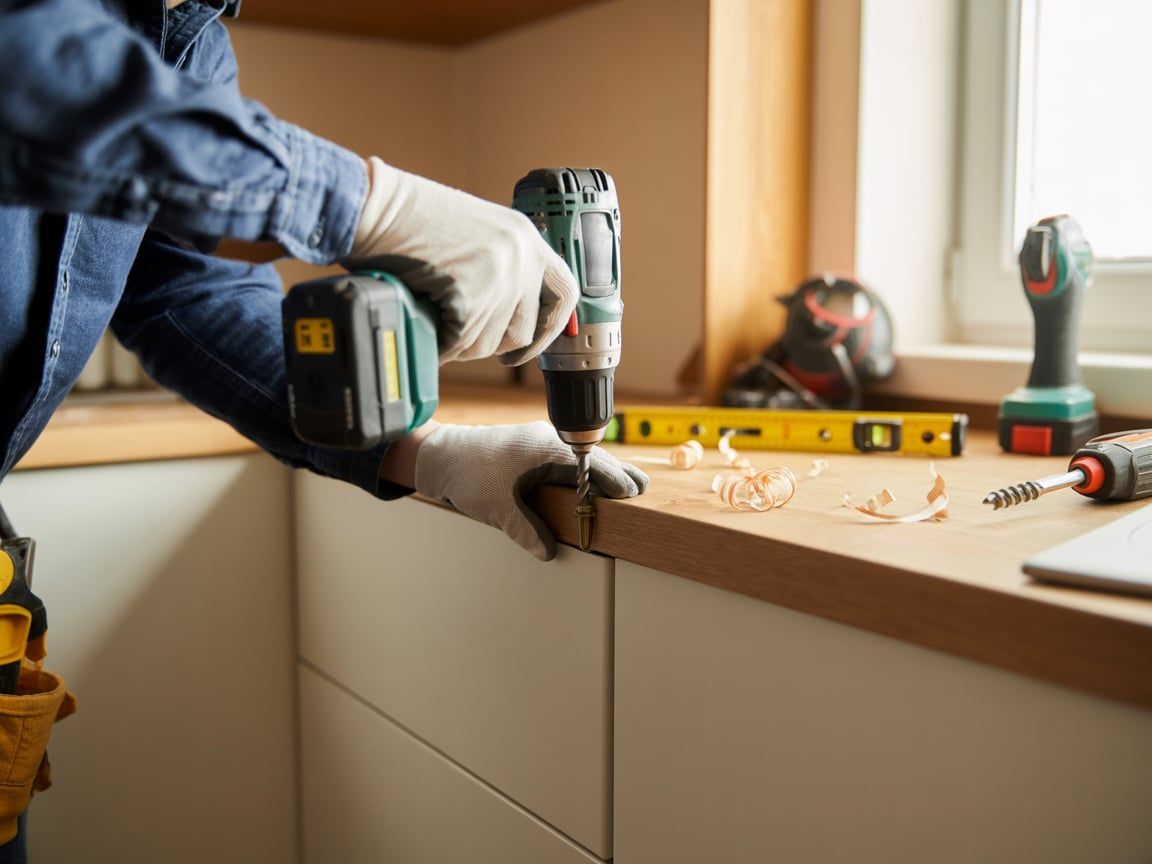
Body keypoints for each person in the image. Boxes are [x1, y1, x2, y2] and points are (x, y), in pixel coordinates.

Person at [0, 0, 649, 856]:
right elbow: (26, 71)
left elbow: (182, 291)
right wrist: (370, 202)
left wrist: (423, 452)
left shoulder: (183, 26)